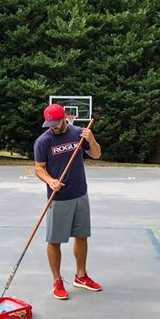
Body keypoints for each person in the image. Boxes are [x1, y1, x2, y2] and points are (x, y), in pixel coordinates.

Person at [34, 103, 102, 300]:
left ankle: (81, 276)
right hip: (59, 198)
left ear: (65, 118)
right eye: (50, 124)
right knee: (54, 240)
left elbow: (97, 155)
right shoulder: (43, 141)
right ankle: (57, 281)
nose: (53, 127)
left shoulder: (79, 133)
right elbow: (39, 168)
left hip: (80, 194)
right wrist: (50, 181)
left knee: (81, 236)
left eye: (56, 123)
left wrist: (92, 139)